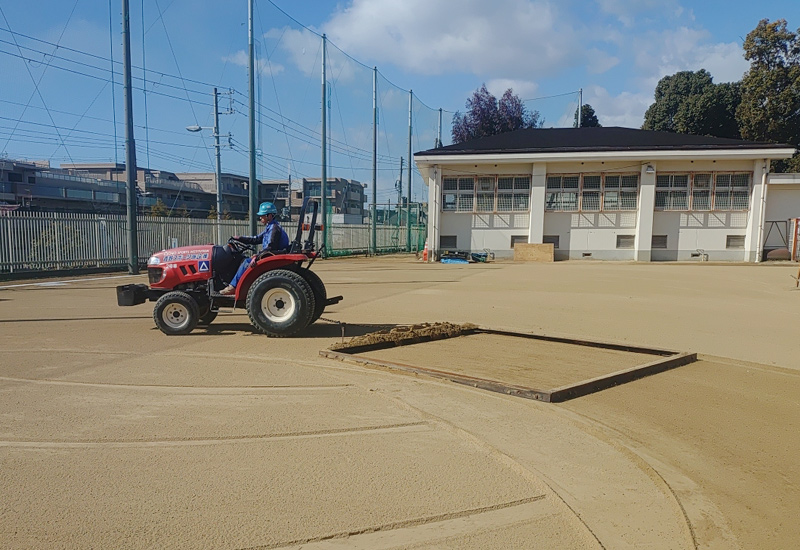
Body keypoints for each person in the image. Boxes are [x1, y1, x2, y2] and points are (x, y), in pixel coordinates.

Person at [219, 202, 290, 295]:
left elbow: (270, 247)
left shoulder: (274, 229)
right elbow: (256, 239)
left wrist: (257, 256)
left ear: (269, 216)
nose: (260, 218)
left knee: (246, 262)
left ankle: (233, 286)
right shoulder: (270, 227)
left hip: (272, 255)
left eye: (262, 215)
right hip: (270, 253)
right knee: (244, 260)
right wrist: (240, 238)